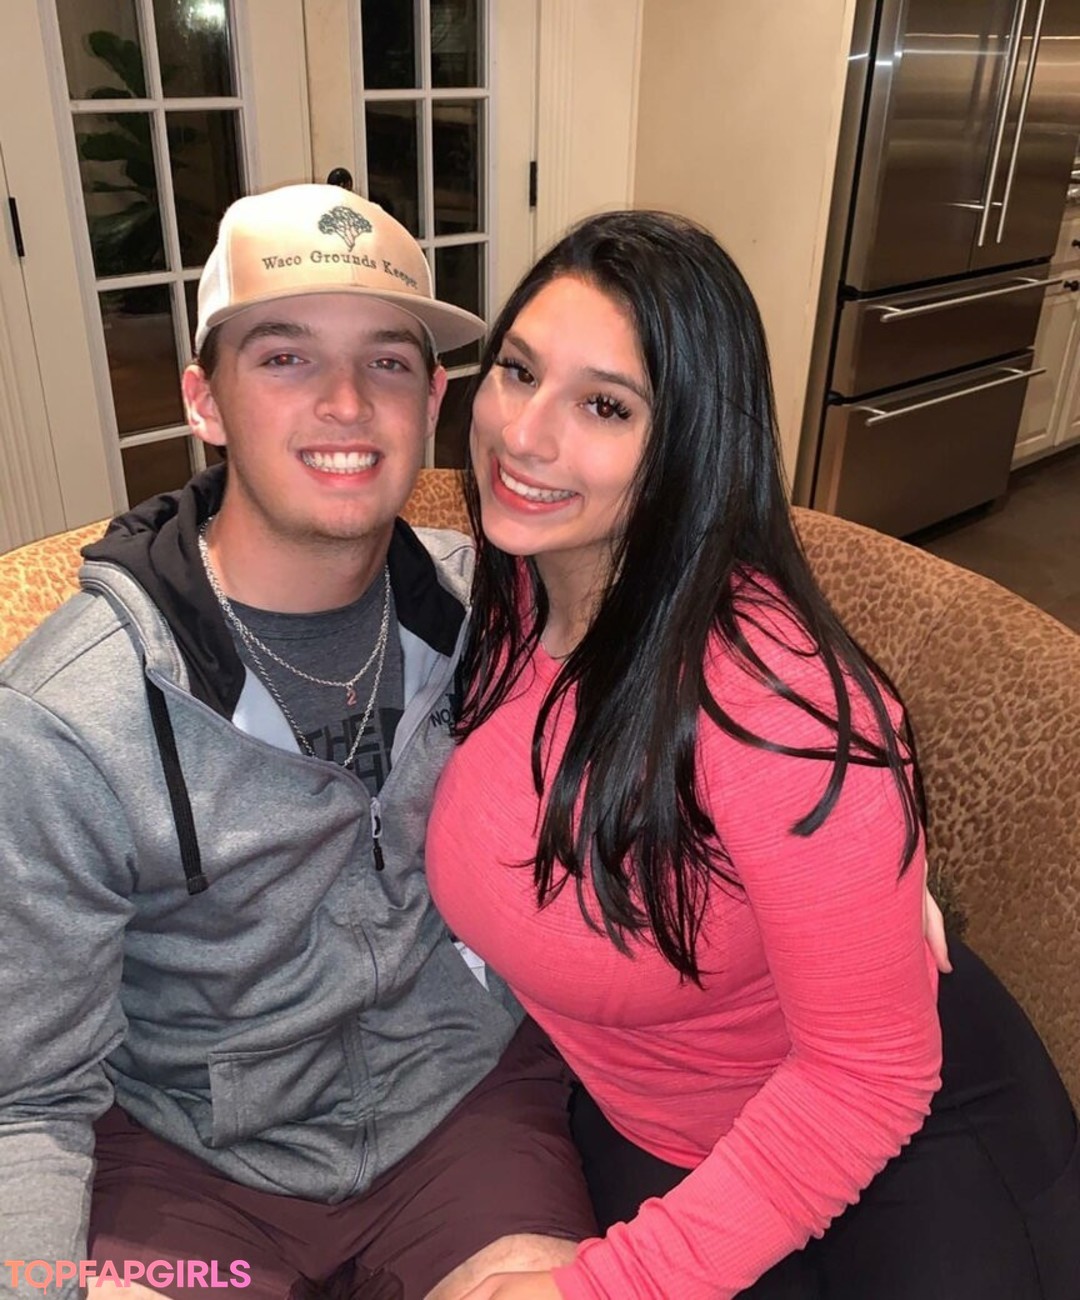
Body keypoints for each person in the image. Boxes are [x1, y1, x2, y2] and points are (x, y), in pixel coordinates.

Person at [426, 210, 1080, 1299]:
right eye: (519, 371)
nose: (525, 435)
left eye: (604, 405)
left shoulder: (778, 704)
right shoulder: (499, 597)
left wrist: (606, 1289)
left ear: (690, 443)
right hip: (660, 1134)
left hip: (907, 1144)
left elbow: (868, 1074)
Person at [0, 185, 597, 1300]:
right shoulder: (67, 719)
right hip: (186, 1162)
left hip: (462, 1114)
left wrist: (858, 834)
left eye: (387, 362)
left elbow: (699, 623)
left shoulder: (503, 609)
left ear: (434, 399)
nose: (345, 403)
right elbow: (22, 1096)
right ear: (205, 402)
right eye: (284, 357)